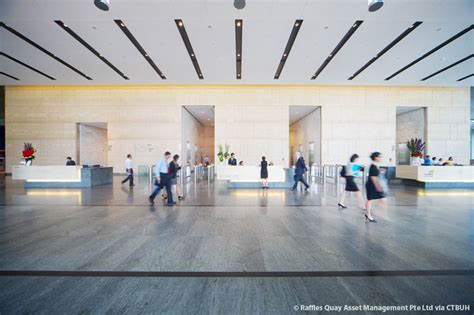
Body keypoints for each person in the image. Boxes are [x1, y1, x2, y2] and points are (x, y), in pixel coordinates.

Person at [365, 152, 387, 223]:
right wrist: (378, 187)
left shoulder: (374, 166)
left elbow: (374, 175)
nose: (381, 158)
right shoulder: (373, 166)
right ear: (376, 158)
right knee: (370, 199)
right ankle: (369, 214)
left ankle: (369, 214)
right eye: (380, 157)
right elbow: (373, 178)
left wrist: (380, 171)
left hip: (371, 184)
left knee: (370, 200)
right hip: (372, 185)